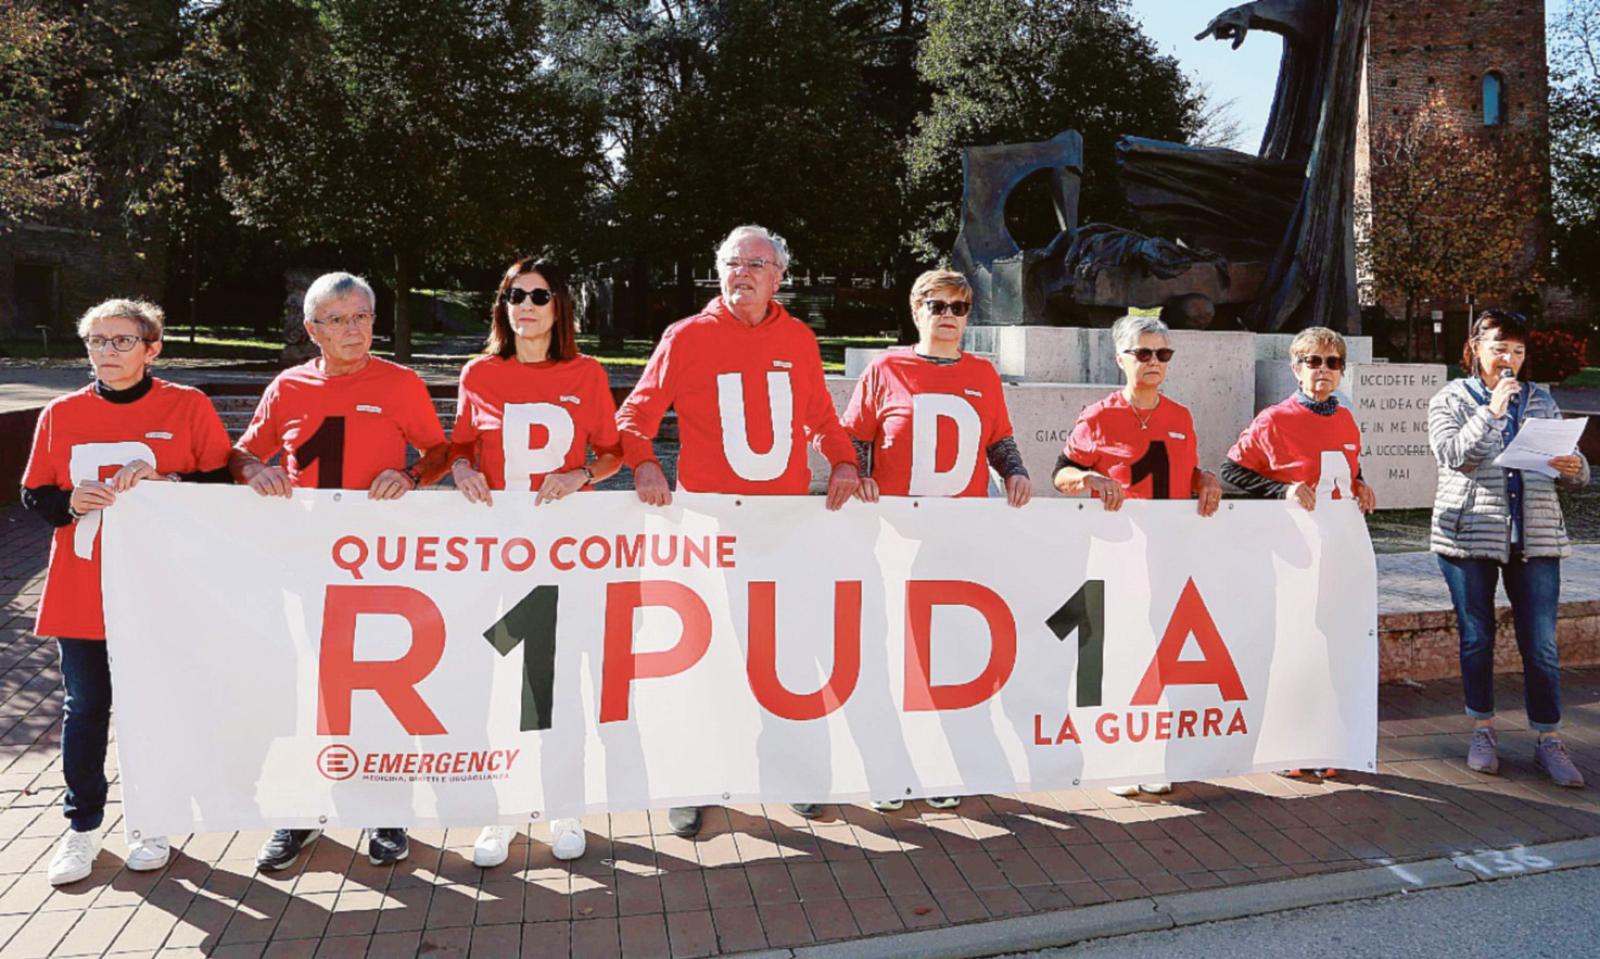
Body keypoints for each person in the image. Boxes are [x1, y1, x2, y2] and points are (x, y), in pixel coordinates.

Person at [616, 224, 861, 836]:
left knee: (786, 652)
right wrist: (644, 461)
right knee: (707, 657)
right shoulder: (687, 336)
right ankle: (691, 782)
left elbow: (821, 418)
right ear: (717, 270)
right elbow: (633, 417)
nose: (743, 273)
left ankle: (794, 772)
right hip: (711, 527)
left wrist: (845, 460)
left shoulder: (799, 338)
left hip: (783, 528)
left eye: (757, 263)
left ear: (780, 275)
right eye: (732, 262)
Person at [231, 272, 451, 869]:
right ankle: (300, 814)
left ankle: (388, 812)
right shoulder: (288, 387)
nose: (353, 330)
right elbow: (245, 451)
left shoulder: (401, 383)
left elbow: (440, 451)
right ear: (312, 330)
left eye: (362, 317)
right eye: (337, 319)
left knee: (379, 686)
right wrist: (253, 472)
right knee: (309, 689)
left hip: (380, 567)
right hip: (306, 562)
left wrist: (409, 476)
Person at [21, 299, 233, 885]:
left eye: (121, 341)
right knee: (87, 708)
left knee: (152, 708)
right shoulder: (61, 413)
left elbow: (221, 483)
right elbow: (35, 491)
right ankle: (82, 827)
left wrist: (170, 485)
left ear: (151, 347)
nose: (107, 353)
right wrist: (69, 503)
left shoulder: (186, 406)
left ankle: (151, 818)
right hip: (81, 588)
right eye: (97, 342)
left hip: (162, 592)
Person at [450, 258, 623, 864]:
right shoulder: (479, 373)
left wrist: (579, 473)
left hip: (561, 556)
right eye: (514, 295)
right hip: (497, 556)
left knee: (551, 685)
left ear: (559, 307)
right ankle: (497, 810)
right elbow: (461, 448)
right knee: (501, 684)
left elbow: (612, 454)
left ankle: (563, 804)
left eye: (539, 296)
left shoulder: (586, 373)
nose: (526, 305)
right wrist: (463, 469)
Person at [845, 269, 1031, 812]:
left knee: (946, 658)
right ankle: (887, 770)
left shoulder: (982, 373)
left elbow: (998, 440)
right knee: (888, 655)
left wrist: (1015, 472)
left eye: (960, 306)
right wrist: (858, 475)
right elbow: (854, 438)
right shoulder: (886, 369)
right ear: (916, 310)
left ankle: (941, 766)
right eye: (937, 304)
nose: (948, 314)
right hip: (895, 540)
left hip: (959, 542)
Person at [1053, 314, 1223, 797]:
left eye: (1162, 354)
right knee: (1119, 657)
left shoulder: (1180, 416)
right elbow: (1062, 473)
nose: (1153, 363)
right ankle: (1116, 761)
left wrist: (1204, 479)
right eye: (1143, 353)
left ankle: (1153, 755)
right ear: (1120, 359)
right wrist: (1087, 479)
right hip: (1115, 557)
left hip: (1168, 557)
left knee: (1161, 659)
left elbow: (1183, 473)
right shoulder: (1099, 416)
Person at [1427, 309, 1590, 788]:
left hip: (1535, 537)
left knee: (1540, 643)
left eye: (1518, 351)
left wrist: (1572, 465)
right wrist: (1492, 411)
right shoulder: (1450, 398)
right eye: (1500, 348)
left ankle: (1549, 739)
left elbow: (1577, 469)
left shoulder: (1540, 398)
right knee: (1477, 637)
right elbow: (1456, 456)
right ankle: (1482, 729)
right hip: (1468, 534)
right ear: (1475, 348)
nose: (1509, 359)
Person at [1222, 325, 1374, 779]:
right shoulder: (1275, 419)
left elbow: (1349, 468)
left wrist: (1361, 484)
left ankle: (1325, 740)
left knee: (1332, 644)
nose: (1323, 371)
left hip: (1336, 554)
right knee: (1294, 645)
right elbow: (1232, 473)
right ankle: (1287, 745)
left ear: (1342, 371)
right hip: (1290, 553)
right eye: (1313, 362)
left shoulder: (1345, 418)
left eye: (1332, 363)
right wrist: (1282, 490)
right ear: (1296, 368)